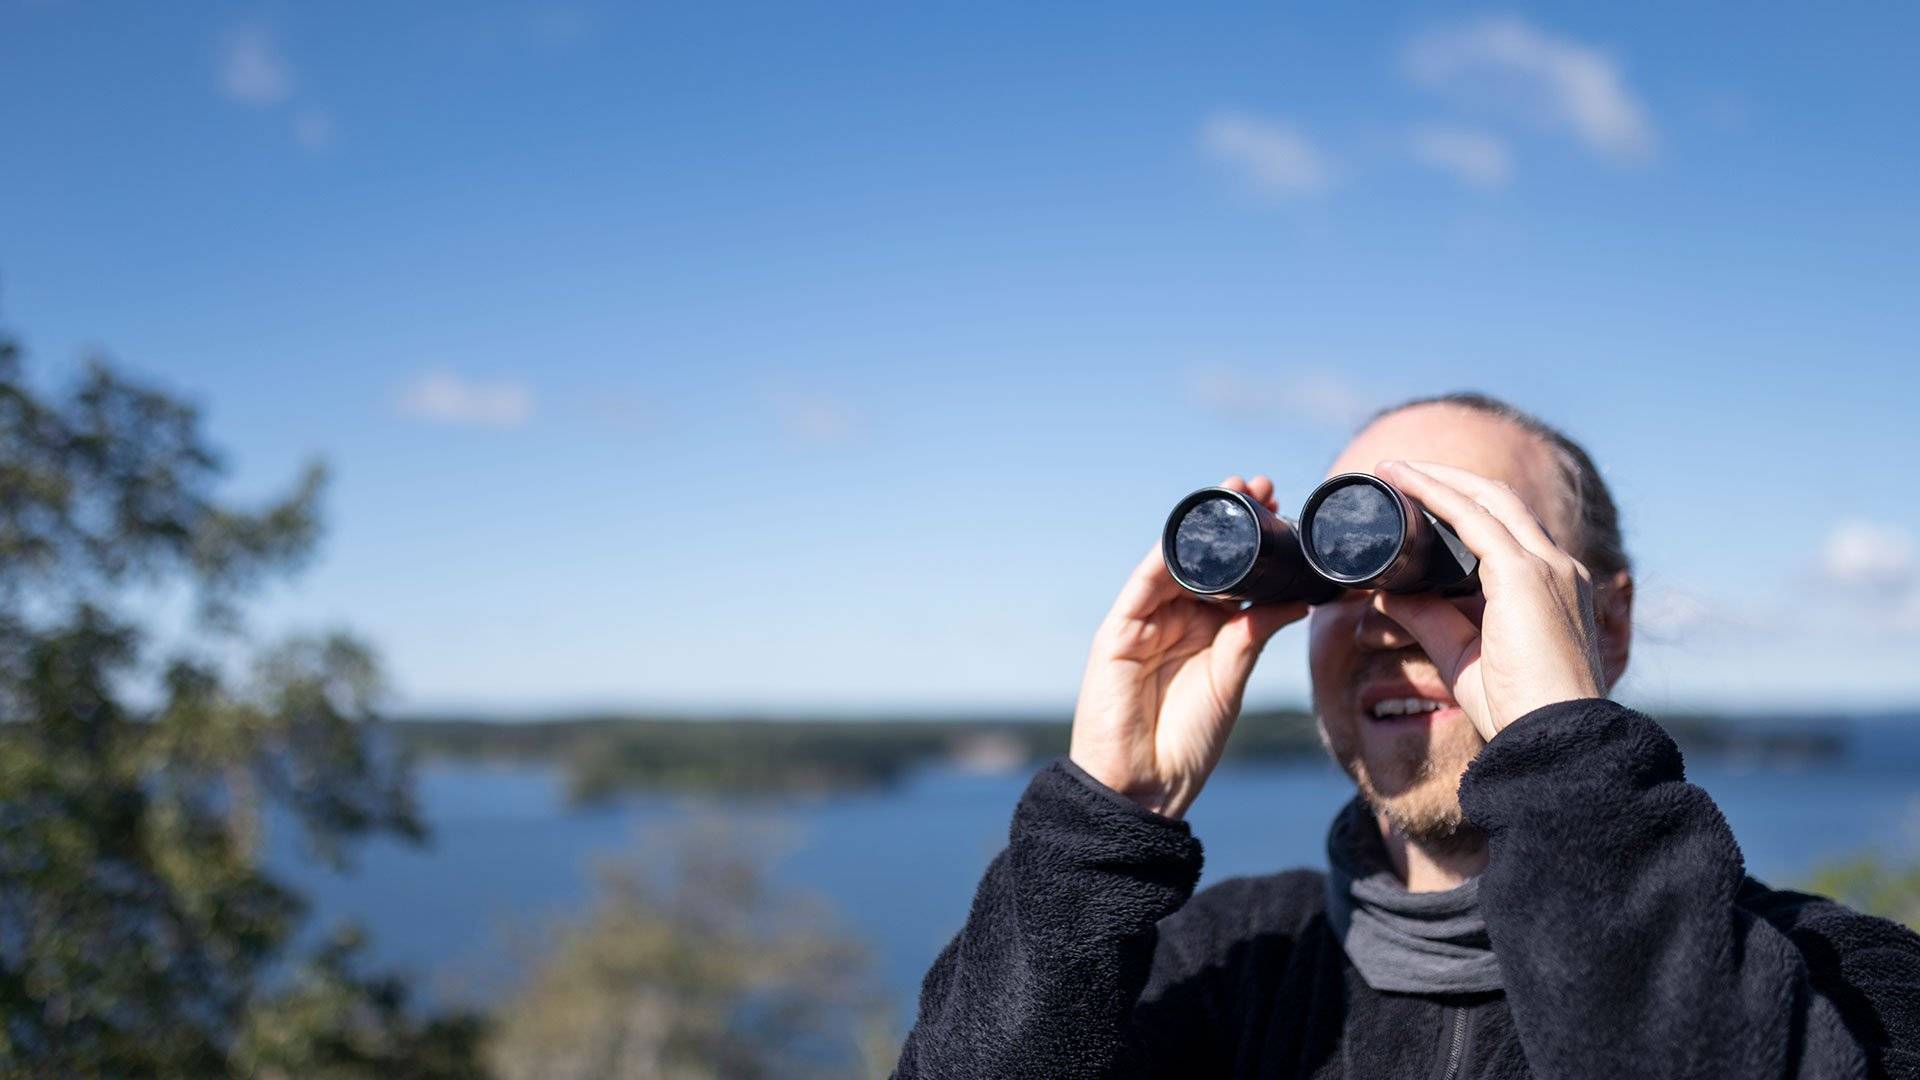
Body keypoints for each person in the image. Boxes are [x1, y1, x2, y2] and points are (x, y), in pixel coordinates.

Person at [894, 393, 1920, 1079]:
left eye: (1453, 561)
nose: (1384, 614)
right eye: (1340, 570)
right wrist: (1103, 823)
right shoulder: (1212, 967)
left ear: (1604, 621)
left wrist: (1563, 742)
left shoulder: (1847, 987)